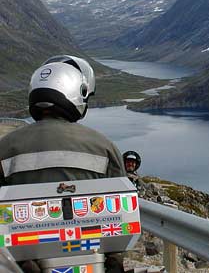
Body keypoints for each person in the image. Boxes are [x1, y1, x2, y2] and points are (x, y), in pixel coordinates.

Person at [0, 55, 127, 273]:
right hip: (90, 257)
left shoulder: (5, 147)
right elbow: (121, 209)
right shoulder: (104, 146)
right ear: (76, 92)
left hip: (23, 259)